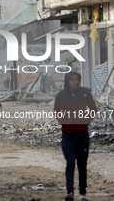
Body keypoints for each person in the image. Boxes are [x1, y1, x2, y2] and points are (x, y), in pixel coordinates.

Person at [54, 71, 97, 201]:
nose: (75, 81)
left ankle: (83, 193)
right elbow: (56, 111)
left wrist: (87, 121)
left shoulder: (85, 93)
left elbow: (93, 109)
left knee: (82, 164)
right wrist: (62, 121)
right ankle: (70, 192)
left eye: (76, 79)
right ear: (67, 81)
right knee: (70, 163)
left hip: (82, 135)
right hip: (68, 136)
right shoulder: (61, 95)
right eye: (72, 79)